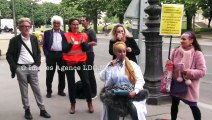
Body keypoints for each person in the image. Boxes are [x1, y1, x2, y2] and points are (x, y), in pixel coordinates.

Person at [6, 17, 51, 119]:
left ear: (30, 27)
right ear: (19, 28)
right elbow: (9, 55)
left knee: (37, 90)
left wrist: (37, 64)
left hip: (33, 67)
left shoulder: (34, 38)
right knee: (24, 91)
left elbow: (38, 52)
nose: (26, 28)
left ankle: (42, 110)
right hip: (21, 68)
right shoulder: (14, 40)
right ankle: (27, 110)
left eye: (28, 26)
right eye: (23, 26)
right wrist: (15, 68)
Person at [100, 42, 147, 120]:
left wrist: (135, 91)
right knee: (112, 106)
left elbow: (140, 80)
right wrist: (109, 67)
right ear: (115, 53)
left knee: (134, 109)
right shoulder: (111, 65)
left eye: (124, 51)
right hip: (115, 94)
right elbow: (102, 77)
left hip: (130, 94)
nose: (122, 54)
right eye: (120, 51)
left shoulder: (132, 64)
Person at [167, 31, 206, 120]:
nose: (181, 41)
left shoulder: (197, 54)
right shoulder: (175, 51)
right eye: (181, 38)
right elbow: (170, 68)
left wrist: (188, 72)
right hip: (177, 82)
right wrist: (169, 65)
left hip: (190, 85)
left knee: (193, 106)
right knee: (174, 104)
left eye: (184, 39)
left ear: (191, 40)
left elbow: (202, 71)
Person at [62, 18, 94, 114]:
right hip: (69, 62)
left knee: (86, 82)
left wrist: (84, 42)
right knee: (71, 84)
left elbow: (85, 49)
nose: (75, 26)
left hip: (81, 61)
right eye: (73, 24)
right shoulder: (66, 35)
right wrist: (70, 44)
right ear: (70, 25)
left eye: (77, 24)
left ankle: (89, 103)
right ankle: (72, 104)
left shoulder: (84, 35)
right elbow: (64, 50)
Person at [43, 15, 66, 98]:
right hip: (51, 55)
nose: (56, 24)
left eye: (58, 23)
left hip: (61, 56)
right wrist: (47, 55)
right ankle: (49, 91)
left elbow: (66, 45)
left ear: (60, 24)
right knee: (49, 74)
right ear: (52, 23)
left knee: (62, 73)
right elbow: (44, 45)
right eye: (54, 23)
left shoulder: (64, 33)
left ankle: (61, 90)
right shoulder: (47, 33)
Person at [81, 15, 97, 98]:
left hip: (89, 54)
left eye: (83, 20)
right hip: (83, 54)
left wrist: (86, 44)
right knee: (85, 73)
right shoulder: (83, 30)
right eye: (81, 20)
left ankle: (94, 92)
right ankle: (88, 90)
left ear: (88, 21)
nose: (82, 22)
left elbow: (95, 42)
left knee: (90, 72)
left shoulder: (91, 31)